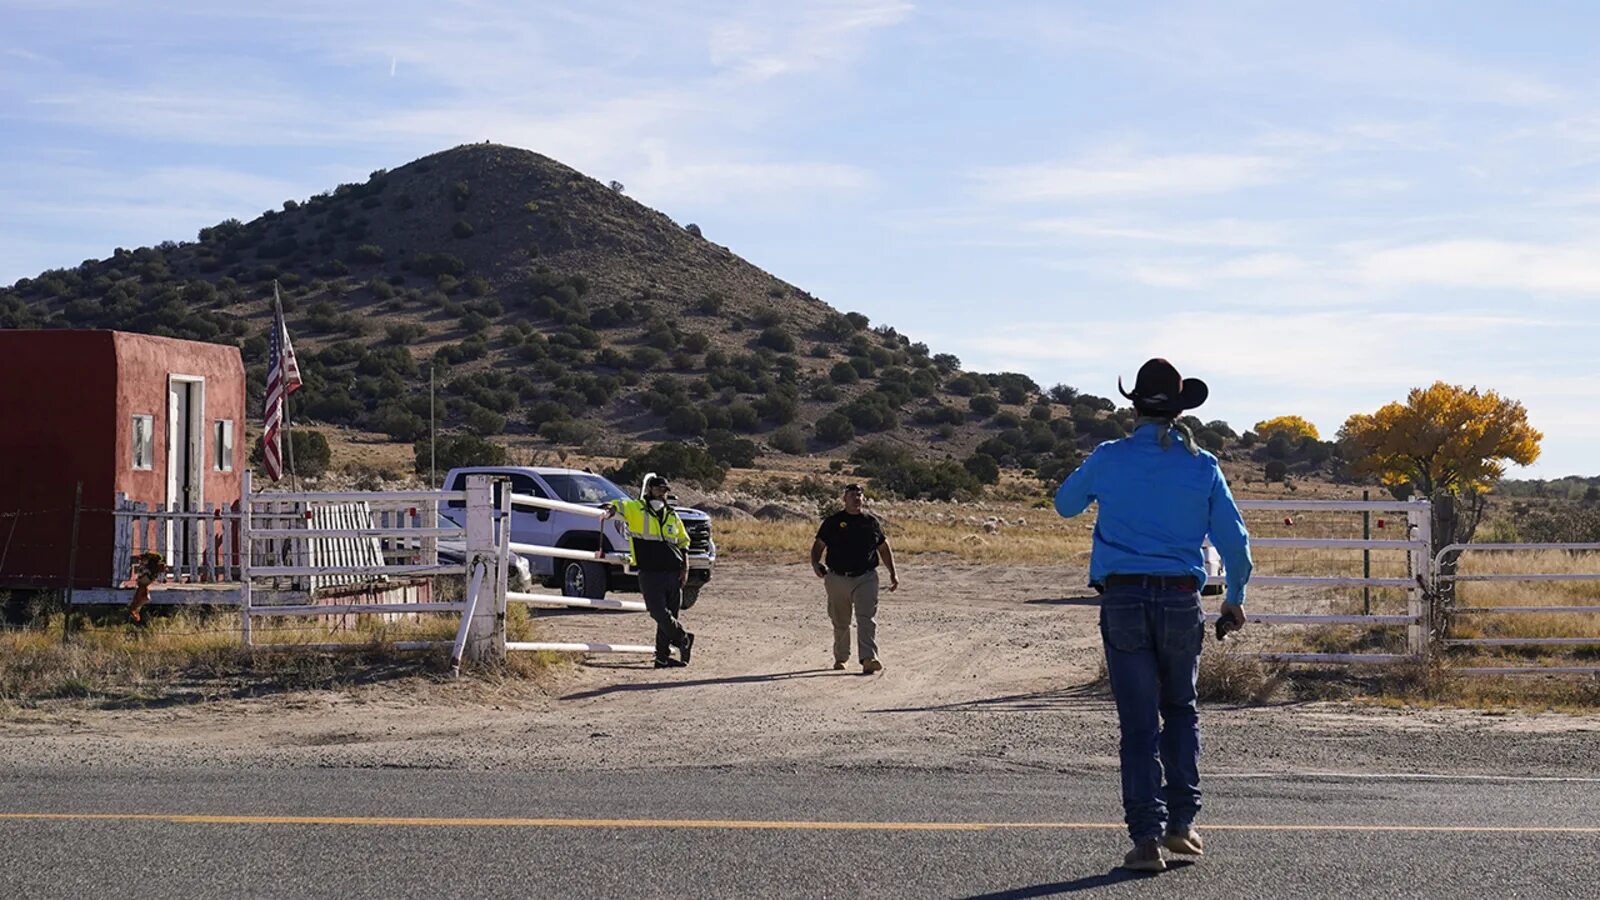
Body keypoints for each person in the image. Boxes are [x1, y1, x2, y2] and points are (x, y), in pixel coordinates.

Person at [1053, 358, 1252, 873]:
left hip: (1123, 599)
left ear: (1134, 405)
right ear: (1179, 409)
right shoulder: (1202, 464)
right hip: (1182, 596)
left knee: (1138, 723)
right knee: (1181, 709)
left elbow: (1065, 505)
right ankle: (1182, 825)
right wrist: (1234, 596)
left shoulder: (1108, 457)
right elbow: (1235, 540)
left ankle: (1145, 839)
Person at [601, 474, 694, 668]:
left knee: (670, 615)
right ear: (650, 489)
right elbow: (617, 505)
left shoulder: (671, 514)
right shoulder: (636, 508)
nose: (663, 494)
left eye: (666, 490)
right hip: (649, 571)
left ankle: (662, 657)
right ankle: (683, 638)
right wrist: (610, 510)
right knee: (658, 611)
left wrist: (685, 568)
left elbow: (684, 542)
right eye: (659, 489)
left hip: (673, 571)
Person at [810, 483, 899, 674]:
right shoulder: (833, 522)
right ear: (844, 499)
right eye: (852, 495)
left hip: (865, 577)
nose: (856, 498)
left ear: (863, 499)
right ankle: (841, 658)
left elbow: (883, 547)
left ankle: (868, 658)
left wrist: (892, 572)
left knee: (866, 618)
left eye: (859, 495)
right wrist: (815, 563)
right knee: (840, 620)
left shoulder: (871, 522)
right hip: (837, 577)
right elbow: (818, 545)